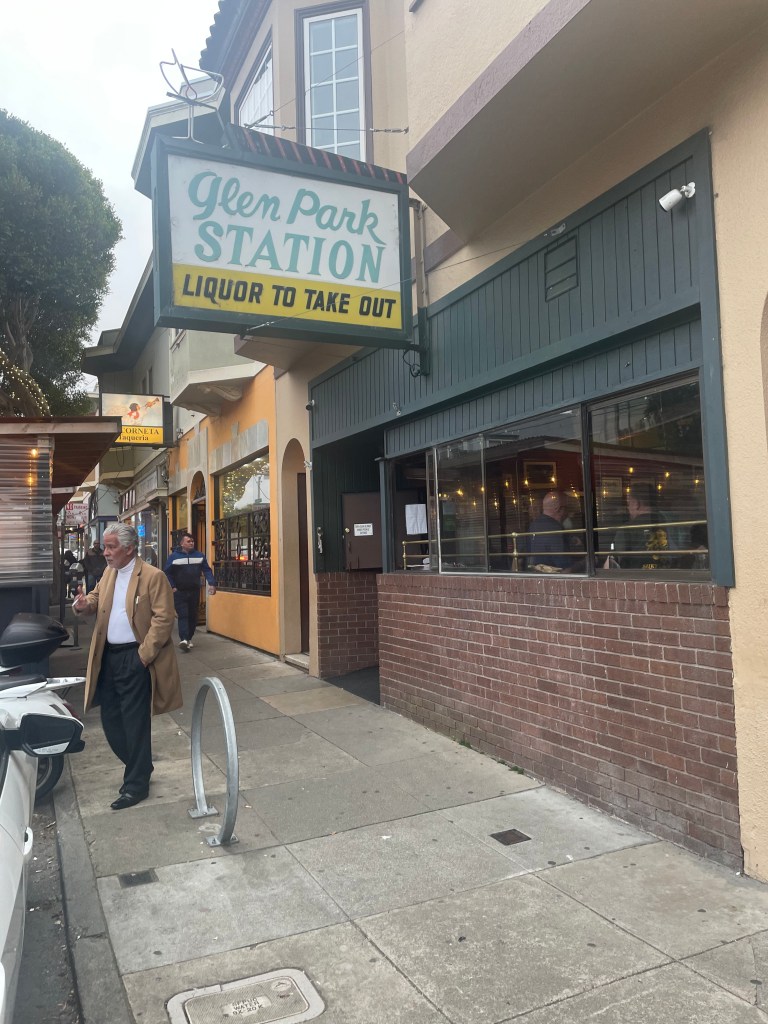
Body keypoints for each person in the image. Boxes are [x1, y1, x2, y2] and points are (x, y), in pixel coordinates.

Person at [73, 523, 181, 810]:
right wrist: (84, 604)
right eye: (105, 547)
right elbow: (97, 598)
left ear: (129, 548)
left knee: (134, 723)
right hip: (108, 657)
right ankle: (141, 766)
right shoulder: (109, 573)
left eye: (111, 547)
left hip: (135, 658)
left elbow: (163, 619)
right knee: (110, 720)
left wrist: (143, 656)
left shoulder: (153, 577)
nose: (105, 553)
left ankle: (136, 785)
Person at [163, 532, 217, 651]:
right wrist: (172, 587)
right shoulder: (174, 557)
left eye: (192, 541)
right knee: (183, 615)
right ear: (182, 543)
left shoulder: (199, 555)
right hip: (179, 592)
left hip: (194, 591)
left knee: (193, 616)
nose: (191, 543)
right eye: (189, 541)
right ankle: (184, 639)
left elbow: (207, 570)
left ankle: (189, 638)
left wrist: (212, 584)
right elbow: (167, 573)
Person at [606, 484, 673, 570]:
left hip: (637, 579)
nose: (628, 508)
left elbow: (610, 565)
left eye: (629, 503)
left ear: (636, 504)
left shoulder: (626, 529)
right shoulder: (667, 523)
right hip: (667, 577)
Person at [526, 491, 583, 571]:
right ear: (558, 509)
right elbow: (564, 565)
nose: (568, 512)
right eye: (566, 508)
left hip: (536, 575)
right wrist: (584, 563)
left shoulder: (533, 526)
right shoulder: (556, 529)